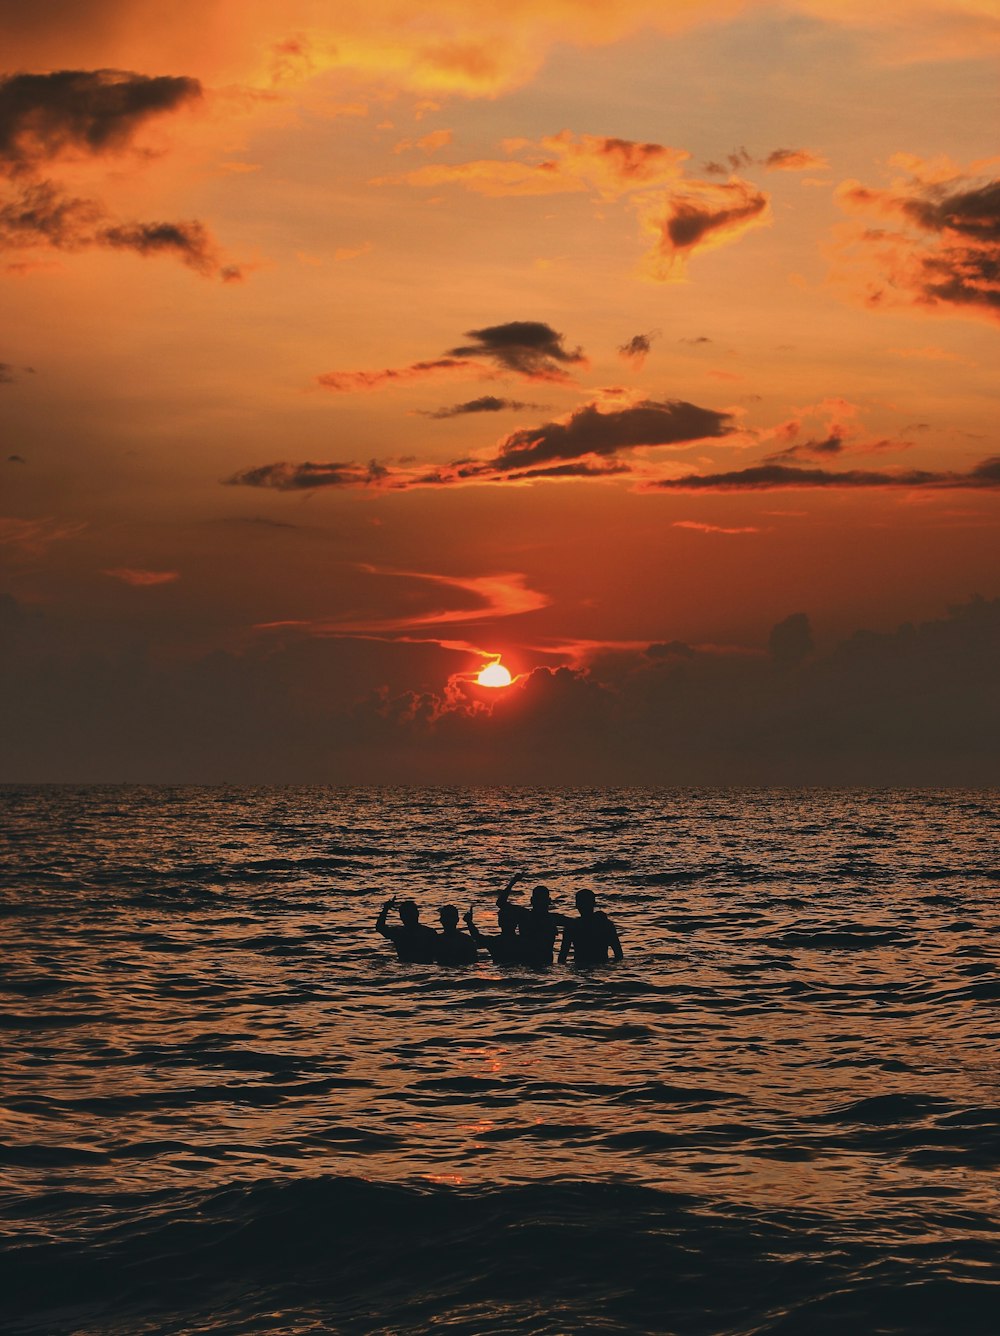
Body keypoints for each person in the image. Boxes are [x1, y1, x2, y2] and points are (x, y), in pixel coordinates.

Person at [498, 875, 568, 966]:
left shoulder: (552, 918)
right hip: (532, 963)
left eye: (542, 899)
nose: (540, 902)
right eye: (538, 899)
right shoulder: (526, 915)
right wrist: (512, 883)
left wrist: (512, 883)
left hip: (541, 964)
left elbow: (500, 903)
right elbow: (500, 903)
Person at [558, 888, 624, 966]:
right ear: (594, 903)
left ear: (576, 905)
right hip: (601, 968)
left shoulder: (572, 926)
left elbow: (562, 958)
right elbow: (619, 955)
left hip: (579, 967)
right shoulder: (606, 924)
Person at [375, 897, 438, 964]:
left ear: (401, 917)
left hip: (404, 966)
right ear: (417, 914)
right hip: (426, 967)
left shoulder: (398, 933)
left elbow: (380, 927)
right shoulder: (429, 932)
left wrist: (385, 909)